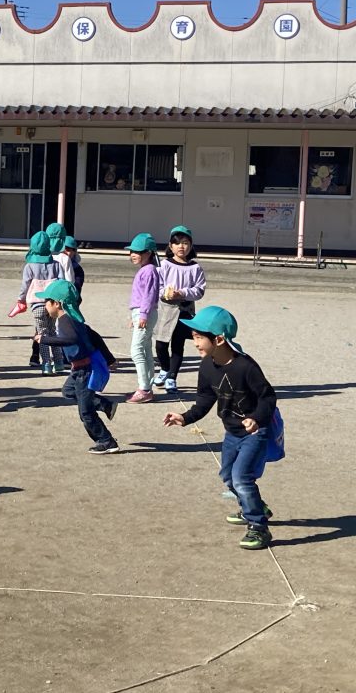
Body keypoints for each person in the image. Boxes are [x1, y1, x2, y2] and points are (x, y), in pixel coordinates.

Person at [163, 306, 276, 550]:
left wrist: (256, 417)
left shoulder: (246, 367)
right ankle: (256, 506)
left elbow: (268, 397)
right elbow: (204, 399)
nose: (195, 343)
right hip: (232, 432)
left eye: (199, 337)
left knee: (241, 478)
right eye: (193, 337)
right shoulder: (206, 367)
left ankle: (258, 527)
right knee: (227, 476)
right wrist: (185, 417)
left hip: (254, 433)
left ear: (219, 339)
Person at [34, 280, 119, 454]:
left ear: (56, 303)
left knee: (86, 413)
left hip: (84, 371)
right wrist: (109, 359)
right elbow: (95, 336)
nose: (45, 305)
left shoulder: (66, 320)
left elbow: (71, 339)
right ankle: (105, 404)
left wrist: (45, 339)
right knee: (67, 391)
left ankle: (106, 441)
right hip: (79, 370)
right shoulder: (73, 318)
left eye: (46, 302)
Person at [154, 225, 206, 394]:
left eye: (185, 243)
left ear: (191, 246)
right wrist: (165, 294)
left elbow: (199, 290)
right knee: (161, 343)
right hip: (166, 309)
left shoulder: (195, 268)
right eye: (177, 243)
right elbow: (158, 285)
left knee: (178, 344)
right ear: (170, 246)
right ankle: (164, 368)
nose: (181, 246)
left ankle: (172, 377)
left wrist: (182, 292)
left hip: (185, 310)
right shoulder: (164, 265)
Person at [19, 231, 65, 375]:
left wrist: (20, 299)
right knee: (53, 333)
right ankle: (59, 362)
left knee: (42, 334)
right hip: (53, 304)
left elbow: (25, 285)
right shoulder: (56, 265)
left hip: (37, 304)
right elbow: (62, 283)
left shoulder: (30, 266)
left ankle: (46, 364)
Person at [125, 232, 160, 404]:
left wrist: (143, 314)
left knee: (136, 350)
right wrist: (135, 315)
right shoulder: (146, 270)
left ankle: (144, 388)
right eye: (132, 251)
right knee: (145, 349)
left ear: (149, 253)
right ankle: (146, 386)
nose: (133, 254)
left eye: (137, 252)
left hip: (144, 312)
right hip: (141, 312)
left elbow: (148, 295)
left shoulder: (149, 271)